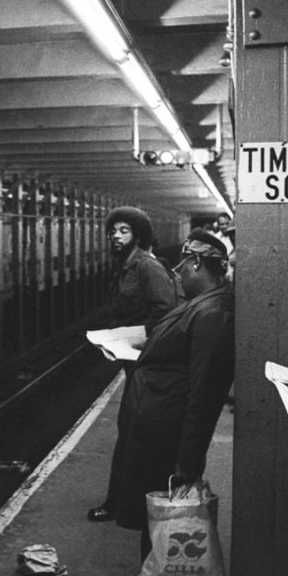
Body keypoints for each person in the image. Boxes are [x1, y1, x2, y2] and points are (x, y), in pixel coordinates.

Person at [97, 228, 234, 576]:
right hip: (158, 422)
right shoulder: (203, 304)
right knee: (153, 510)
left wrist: (189, 462)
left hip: (167, 430)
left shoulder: (213, 313)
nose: (176, 274)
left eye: (181, 267)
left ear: (196, 263)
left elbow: (205, 394)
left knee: (159, 514)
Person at [87, 206, 178, 522]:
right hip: (136, 364)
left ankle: (121, 504)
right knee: (130, 430)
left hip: (147, 364)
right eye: (112, 230)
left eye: (123, 230)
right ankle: (122, 501)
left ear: (138, 235)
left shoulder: (146, 268)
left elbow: (165, 314)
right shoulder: (125, 267)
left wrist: (128, 339)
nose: (115, 235)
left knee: (133, 431)